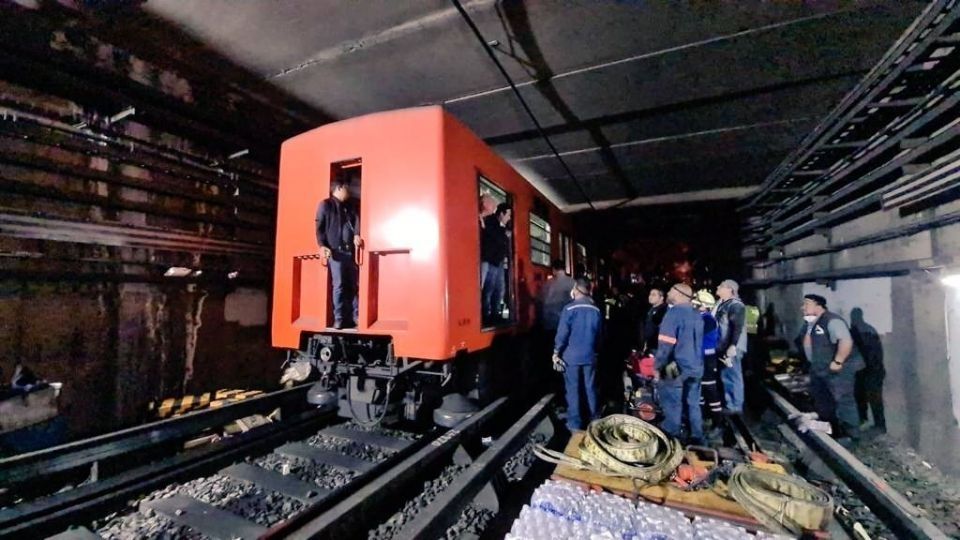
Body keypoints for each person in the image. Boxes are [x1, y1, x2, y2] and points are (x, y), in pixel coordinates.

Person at [794, 294, 865, 443]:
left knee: (843, 400)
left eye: (806, 304)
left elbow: (845, 341)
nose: (803, 307)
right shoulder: (810, 323)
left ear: (818, 305)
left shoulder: (832, 320)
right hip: (819, 368)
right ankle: (831, 430)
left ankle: (851, 435)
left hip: (839, 369)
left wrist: (838, 361)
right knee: (823, 401)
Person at [654, 283, 704, 443]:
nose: (668, 292)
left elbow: (666, 344)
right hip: (696, 366)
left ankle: (671, 436)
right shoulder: (697, 314)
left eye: (671, 289)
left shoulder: (673, 314)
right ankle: (696, 437)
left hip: (675, 367)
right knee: (693, 404)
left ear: (679, 294)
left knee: (671, 402)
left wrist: (658, 366)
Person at [553, 278, 603, 431]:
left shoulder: (569, 309)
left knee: (573, 389)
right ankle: (595, 419)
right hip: (590, 356)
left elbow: (562, 334)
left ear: (577, 289)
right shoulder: (596, 310)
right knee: (590, 387)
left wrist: (556, 351)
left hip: (571, 357)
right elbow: (600, 335)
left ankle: (575, 423)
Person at [315, 180, 362, 329]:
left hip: (349, 251)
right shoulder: (326, 204)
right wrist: (322, 245)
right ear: (339, 188)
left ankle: (356, 316)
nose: (349, 192)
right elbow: (319, 227)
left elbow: (356, 220)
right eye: (347, 188)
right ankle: (339, 318)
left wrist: (356, 234)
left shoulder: (349, 207)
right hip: (335, 251)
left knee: (353, 285)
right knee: (340, 285)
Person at [850, 307, 886, 433]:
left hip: (866, 370)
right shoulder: (869, 329)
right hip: (873, 370)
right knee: (874, 399)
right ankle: (879, 424)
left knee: (863, 397)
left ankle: (867, 422)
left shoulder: (857, 331)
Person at [714, 279, 747, 414]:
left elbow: (736, 327)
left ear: (730, 289)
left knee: (733, 376)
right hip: (724, 347)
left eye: (721, 286)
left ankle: (735, 405)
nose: (718, 287)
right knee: (726, 376)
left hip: (732, 348)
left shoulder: (735, 305)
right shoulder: (723, 304)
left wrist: (732, 345)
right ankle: (731, 403)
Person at [693, 289, 723, 428]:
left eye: (697, 304)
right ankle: (703, 417)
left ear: (704, 305)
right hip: (700, 358)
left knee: (709, 388)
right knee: (700, 388)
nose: (694, 306)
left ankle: (717, 420)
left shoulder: (708, 320)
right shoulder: (701, 318)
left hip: (707, 359)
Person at [480, 203, 512, 323]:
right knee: (490, 288)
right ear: (501, 213)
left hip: (497, 261)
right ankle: (487, 314)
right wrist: (504, 235)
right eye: (508, 215)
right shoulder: (491, 222)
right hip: (491, 260)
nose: (509, 218)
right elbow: (496, 238)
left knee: (499, 288)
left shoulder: (502, 227)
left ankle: (495, 312)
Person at [640, 287, 668, 355]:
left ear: (661, 298)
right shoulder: (649, 310)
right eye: (650, 294)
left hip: (656, 347)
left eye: (654, 295)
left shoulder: (663, 311)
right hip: (648, 345)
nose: (650, 297)